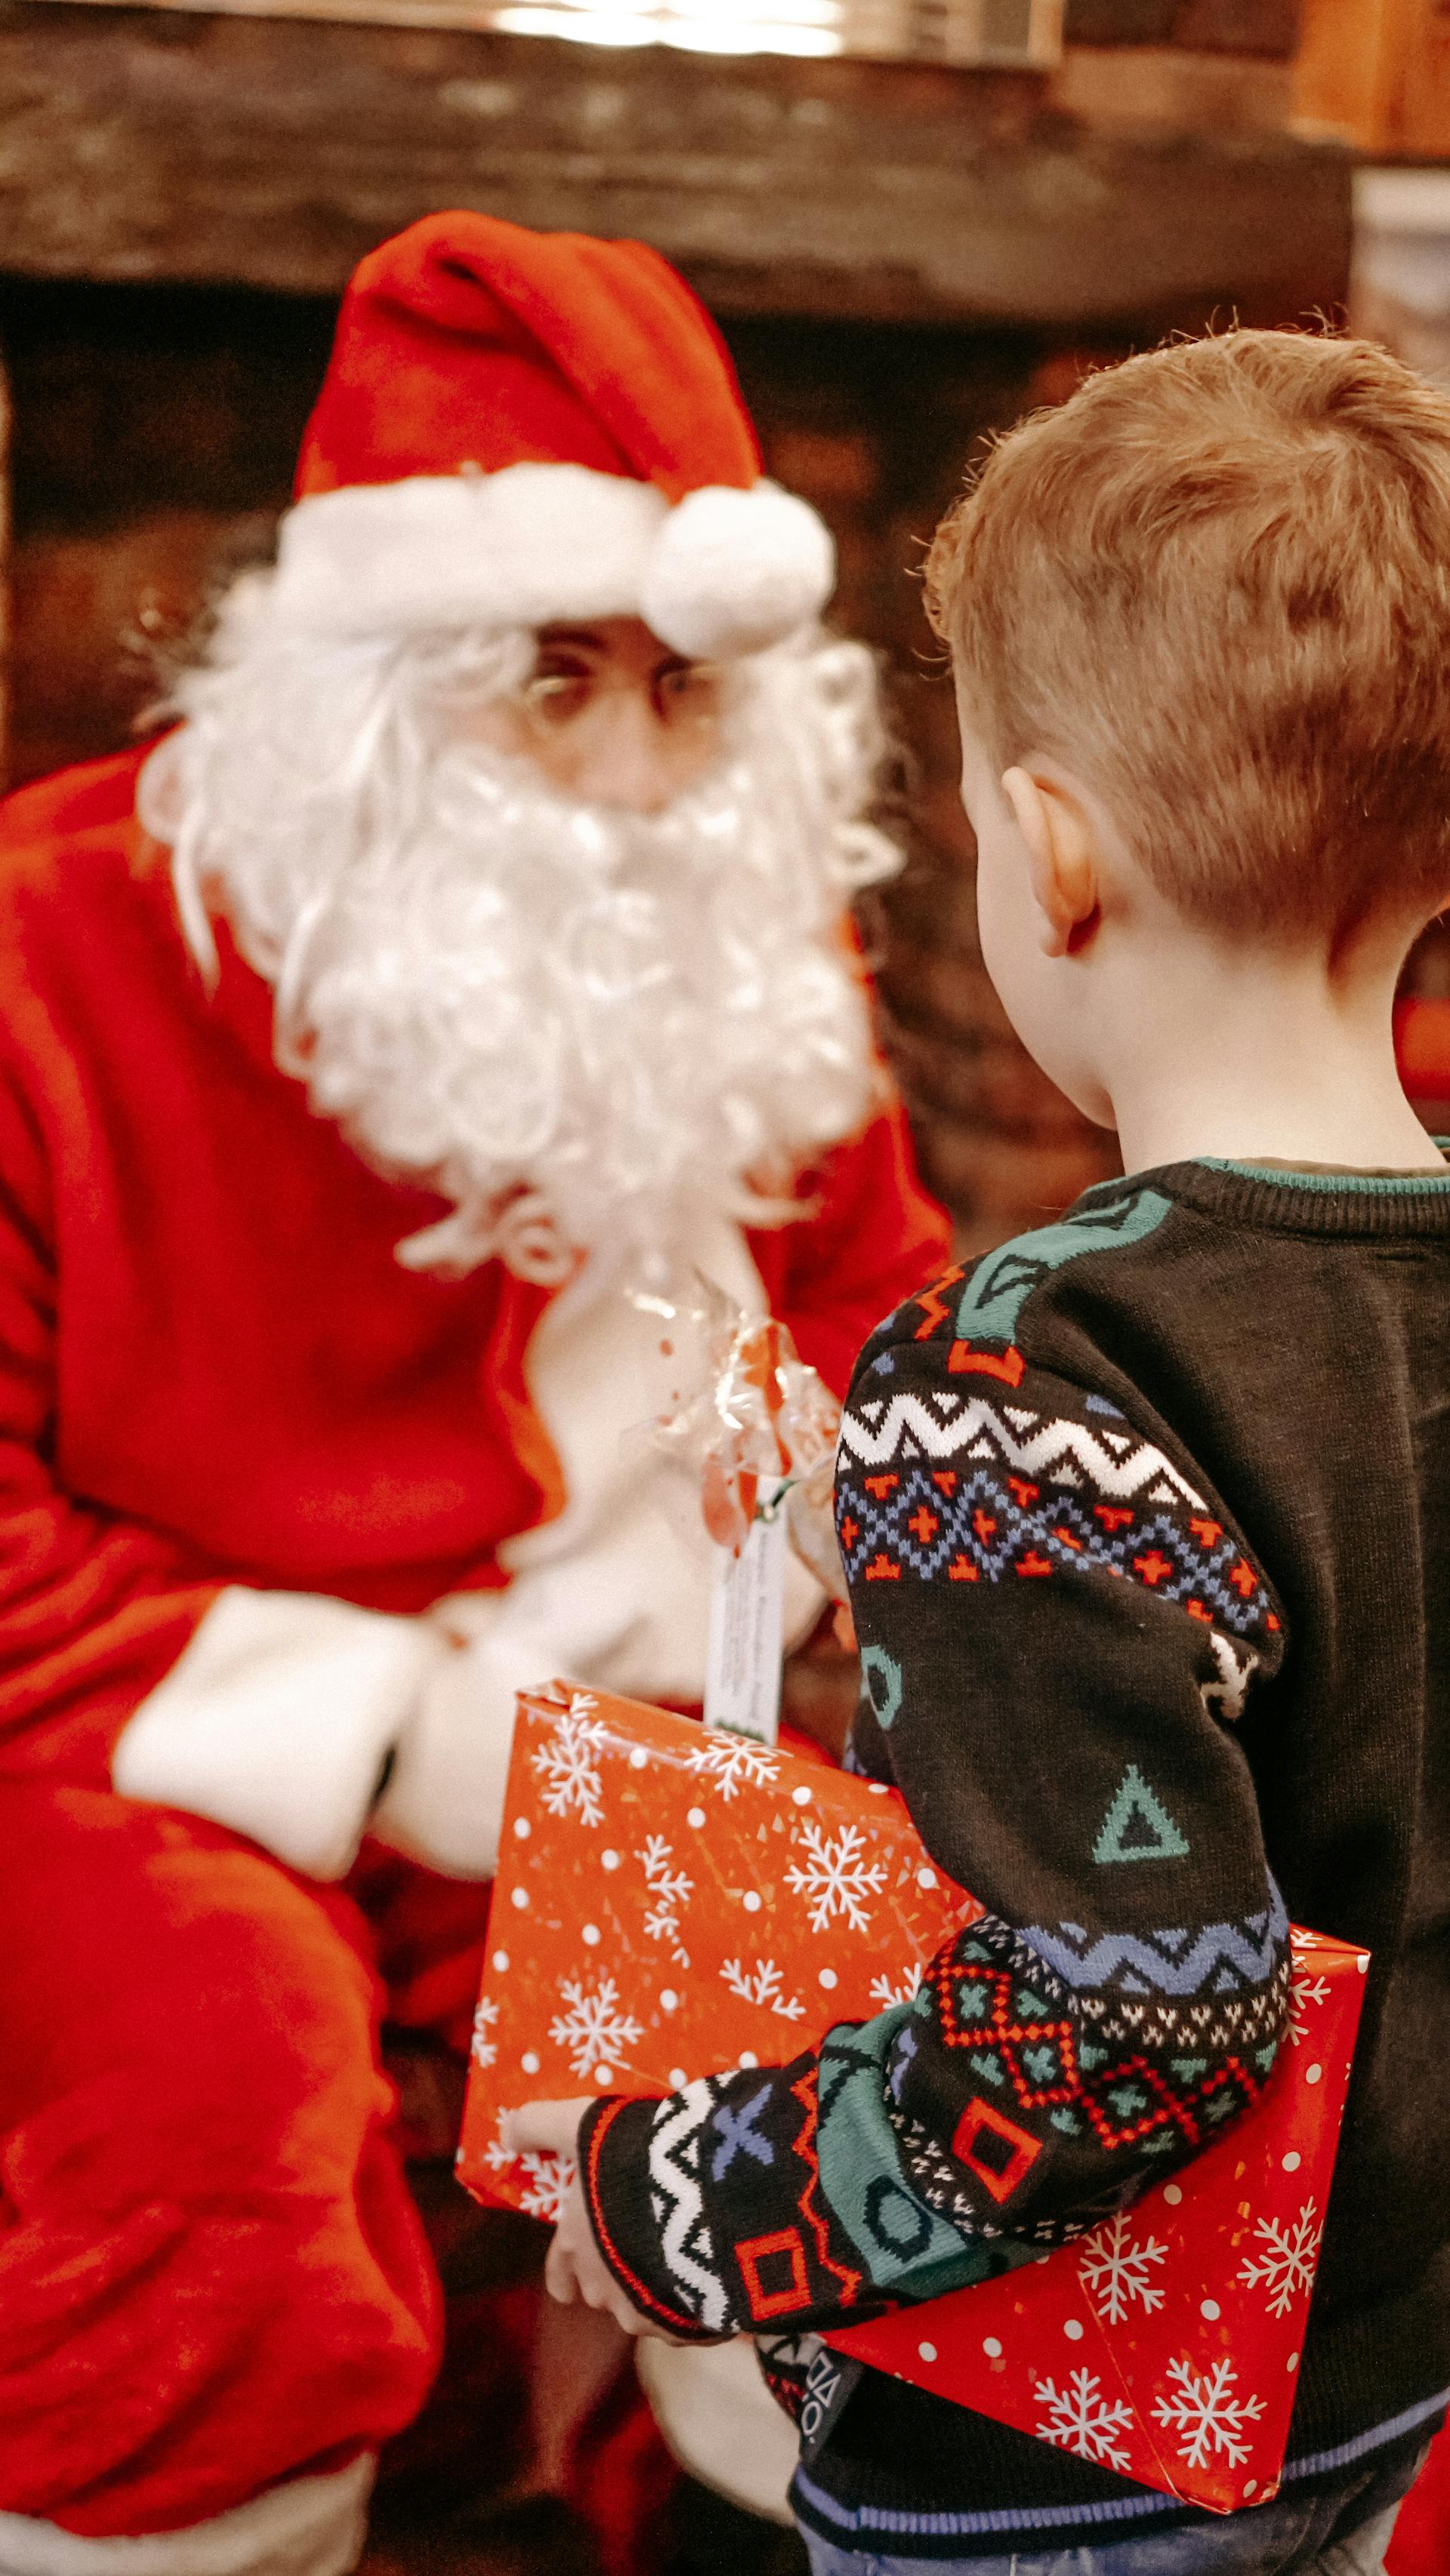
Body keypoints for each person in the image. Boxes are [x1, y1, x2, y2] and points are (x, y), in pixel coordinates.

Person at [0, 212, 950, 2575]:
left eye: (687, 691)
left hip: (628, 1755)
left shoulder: (737, 947)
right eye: (554, 677)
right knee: (211, 2116)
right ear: (374, 684)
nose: (638, 778)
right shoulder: (53, 949)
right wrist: (411, 1743)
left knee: (893, 2089)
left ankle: (719, 2523)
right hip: (155, 1743)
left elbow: (880, 1324)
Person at [514, 328, 1450, 2576]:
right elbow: (1298, 1620)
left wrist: (672, 2193)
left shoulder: (1025, 1375)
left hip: (1049, 2460)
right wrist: (885, 1504)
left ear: (1047, 856)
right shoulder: (1080, 1398)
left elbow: (1141, 2019)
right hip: (1369, 2363)